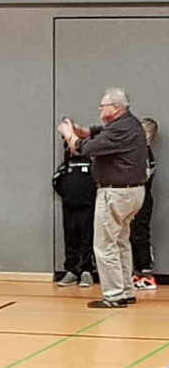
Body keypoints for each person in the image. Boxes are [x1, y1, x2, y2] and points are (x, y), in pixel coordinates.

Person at [58, 88, 148, 308]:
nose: (99, 110)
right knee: (120, 242)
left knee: (105, 245)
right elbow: (98, 132)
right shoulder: (130, 124)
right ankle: (126, 290)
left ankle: (114, 295)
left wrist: (70, 134)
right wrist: (82, 130)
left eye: (102, 106)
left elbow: (85, 148)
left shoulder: (119, 130)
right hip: (132, 192)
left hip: (115, 193)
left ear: (115, 108)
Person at [53, 143, 97, 288]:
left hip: (88, 208)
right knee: (70, 239)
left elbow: (99, 183)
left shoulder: (93, 164)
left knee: (87, 239)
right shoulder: (66, 165)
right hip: (70, 208)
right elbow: (56, 181)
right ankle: (71, 271)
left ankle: (86, 271)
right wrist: (67, 196)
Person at [132, 117, 159, 290]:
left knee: (141, 234)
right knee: (132, 234)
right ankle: (137, 272)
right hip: (134, 198)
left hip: (143, 198)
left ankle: (147, 274)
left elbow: (144, 177)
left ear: (147, 135)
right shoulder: (138, 152)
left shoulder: (146, 154)